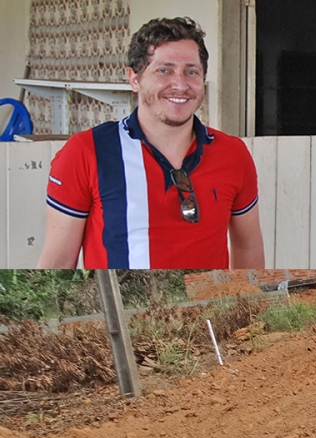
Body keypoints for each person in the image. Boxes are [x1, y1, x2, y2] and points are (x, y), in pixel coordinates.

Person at [36, 17, 264, 269]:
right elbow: (58, 262)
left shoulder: (233, 153)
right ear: (134, 79)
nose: (180, 84)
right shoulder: (86, 151)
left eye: (191, 71)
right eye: (164, 70)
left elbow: (248, 247)